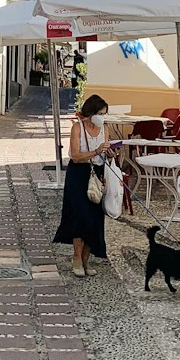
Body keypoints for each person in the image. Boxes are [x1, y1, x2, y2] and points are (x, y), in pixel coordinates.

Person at [53, 93, 112, 275]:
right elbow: (76, 156)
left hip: (97, 173)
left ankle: (86, 260)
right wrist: (95, 151)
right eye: (100, 113)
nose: (102, 117)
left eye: (104, 114)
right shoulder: (78, 128)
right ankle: (76, 258)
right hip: (79, 175)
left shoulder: (105, 129)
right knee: (80, 216)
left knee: (94, 218)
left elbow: (105, 151)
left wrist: (109, 154)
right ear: (91, 112)